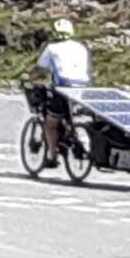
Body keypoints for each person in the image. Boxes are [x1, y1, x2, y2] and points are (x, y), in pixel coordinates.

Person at [32, 18, 90, 166]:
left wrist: (29, 79)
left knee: (50, 123)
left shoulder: (51, 48)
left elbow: (41, 70)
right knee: (72, 115)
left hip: (63, 87)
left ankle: (52, 157)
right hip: (83, 86)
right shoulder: (81, 47)